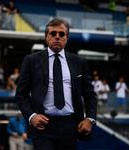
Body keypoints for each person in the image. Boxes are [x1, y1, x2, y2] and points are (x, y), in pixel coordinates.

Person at [16, 18, 97, 150]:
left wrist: (90, 119)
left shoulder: (79, 62)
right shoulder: (31, 60)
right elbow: (21, 94)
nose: (57, 37)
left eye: (62, 34)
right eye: (53, 34)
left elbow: (89, 94)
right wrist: (32, 116)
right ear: (47, 37)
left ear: (67, 38)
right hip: (43, 125)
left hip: (71, 125)